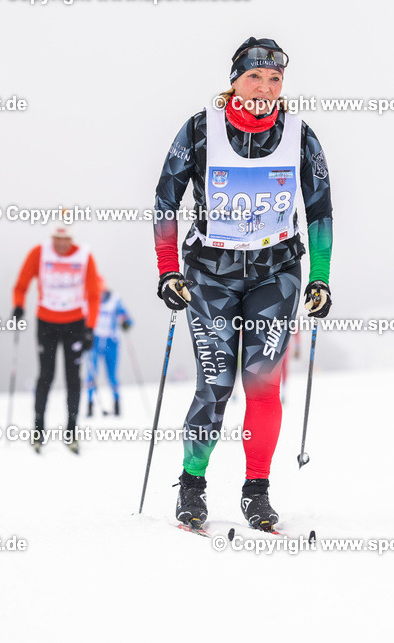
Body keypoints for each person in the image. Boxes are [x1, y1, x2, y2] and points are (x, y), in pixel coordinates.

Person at [153, 37, 334, 531]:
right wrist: (168, 269)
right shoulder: (198, 131)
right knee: (215, 385)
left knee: (262, 385)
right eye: (254, 77)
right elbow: (166, 199)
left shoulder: (300, 135)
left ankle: (257, 491)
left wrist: (320, 277)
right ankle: (192, 486)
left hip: (275, 275)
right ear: (234, 80)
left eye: (275, 80)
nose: (264, 88)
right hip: (210, 275)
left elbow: (319, 211)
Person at [12, 224, 101, 454]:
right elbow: (21, 284)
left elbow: (93, 294)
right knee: (46, 375)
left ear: (72, 239)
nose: (61, 244)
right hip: (47, 323)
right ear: (52, 237)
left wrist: (90, 328)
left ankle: (71, 432)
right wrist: (18, 306)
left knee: (73, 378)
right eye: (57, 239)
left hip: (75, 324)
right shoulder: (39, 253)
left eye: (66, 240)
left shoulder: (84, 256)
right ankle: (38, 430)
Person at [85, 283, 133, 417]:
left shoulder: (115, 301)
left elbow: (127, 318)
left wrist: (126, 323)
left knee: (112, 376)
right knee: (91, 375)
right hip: (94, 343)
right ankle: (89, 406)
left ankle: (117, 404)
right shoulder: (90, 301)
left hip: (111, 343)